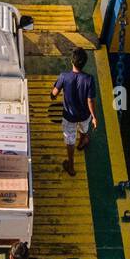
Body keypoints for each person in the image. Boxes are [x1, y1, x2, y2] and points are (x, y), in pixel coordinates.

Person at [51, 47, 98, 176]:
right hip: (84, 115)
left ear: (72, 61)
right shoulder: (89, 79)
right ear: (84, 63)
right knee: (84, 128)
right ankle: (82, 141)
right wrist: (94, 117)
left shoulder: (64, 77)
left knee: (70, 139)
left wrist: (53, 95)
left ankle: (71, 166)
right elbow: (90, 101)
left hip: (69, 116)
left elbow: (54, 93)